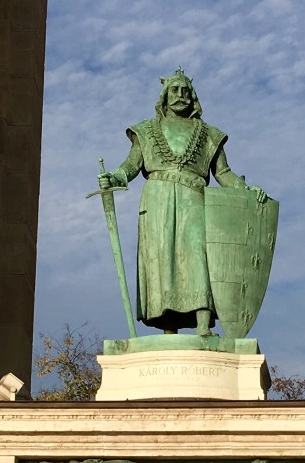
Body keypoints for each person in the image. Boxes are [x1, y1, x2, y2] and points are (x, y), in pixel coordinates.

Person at [99, 68, 266, 336]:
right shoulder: (146, 130)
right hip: (157, 200)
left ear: (193, 96)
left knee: (199, 254)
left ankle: (203, 324)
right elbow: (130, 166)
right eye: (174, 90)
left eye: (185, 90)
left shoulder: (209, 134)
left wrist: (246, 189)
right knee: (162, 258)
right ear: (165, 96)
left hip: (194, 197)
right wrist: (114, 177)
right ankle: (168, 328)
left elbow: (223, 173)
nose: (180, 95)